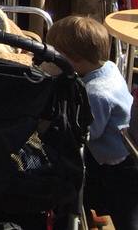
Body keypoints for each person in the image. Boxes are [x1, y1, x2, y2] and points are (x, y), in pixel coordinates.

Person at [46, 16, 138, 230]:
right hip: (121, 147)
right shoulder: (109, 68)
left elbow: (89, 134)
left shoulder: (95, 93)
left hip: (115, 161)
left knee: (123, 208)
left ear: (74, 60)